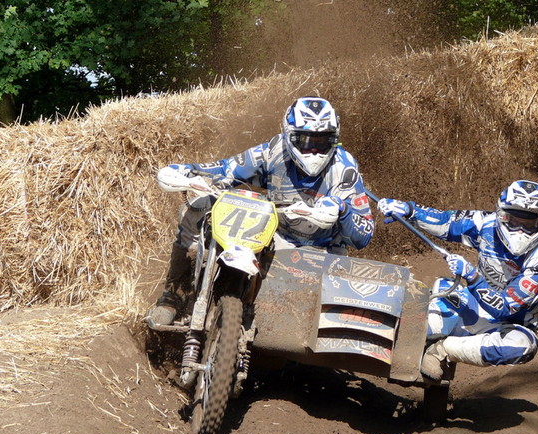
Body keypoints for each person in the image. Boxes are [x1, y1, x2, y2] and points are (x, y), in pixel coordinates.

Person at [147, 96, 375, 326]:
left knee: (314, 326)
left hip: (322, 250)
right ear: (290, 135)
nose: (313, 150)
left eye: (323, 141)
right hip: (275, 236)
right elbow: (227, 168)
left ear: (335, 139)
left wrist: (343, 210)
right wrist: (186, 171)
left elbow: (363, 235)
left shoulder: (344, 168)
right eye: (305, 140)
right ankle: (174, 296)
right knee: (198, 205)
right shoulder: (274, 150)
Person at [378, 180, 538, 381]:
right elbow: (446, 221)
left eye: (529, 224)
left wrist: (472, 277)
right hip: (470, 304)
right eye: (514, 220)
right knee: (426, 321)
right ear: (502, 214)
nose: (520, 230)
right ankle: (379, 336)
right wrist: (409, 210)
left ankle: (442, 350)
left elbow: (505, 308)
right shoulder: (486, 223)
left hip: (506, 327)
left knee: (523, 346)